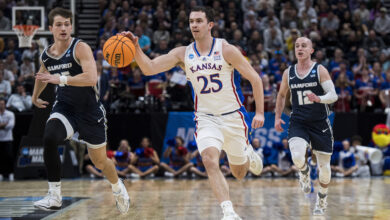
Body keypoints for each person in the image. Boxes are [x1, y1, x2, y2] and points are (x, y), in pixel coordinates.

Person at [121, 6, 264, 219]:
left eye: (199, 21)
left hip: (233, 116)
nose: (194, 25)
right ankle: (228, 212)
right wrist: (135, 48)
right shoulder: (183, 53)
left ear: (210, 25)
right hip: (205, 117)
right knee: (208, 159)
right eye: (191, 21)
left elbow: (255, 79)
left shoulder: (226, 49)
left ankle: (246, 152)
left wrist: (260, 113)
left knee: (239, 173)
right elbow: (150, 68)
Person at [32, 8, 129, 213]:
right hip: (65, 107)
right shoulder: (47, 54)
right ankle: (54, 196)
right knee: (49, 136)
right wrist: (35, 96)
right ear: (51, 28)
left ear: (71, 26)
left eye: (67, 24)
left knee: (100, 161)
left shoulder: (80, 47)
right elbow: (42, 73)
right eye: (59, 24)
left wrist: (61, 79)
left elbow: (91, 78)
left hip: (89, 111)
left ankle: (118, 187)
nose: (64, 28)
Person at [274, 37, 338, 216]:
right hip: (298, 121)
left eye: (304, 46)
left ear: (311, 50)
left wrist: (319, 99)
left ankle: (322, 197)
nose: (299, 48)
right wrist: (277, 117)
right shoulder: (289, 72)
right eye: (297, 46)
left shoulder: (319, 70)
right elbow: (280, 95)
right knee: (297, 156)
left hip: (319, 123)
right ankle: (304, 172)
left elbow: (333, 95)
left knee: (324, 167)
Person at [0, 98, 15, 181]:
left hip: (8, 139)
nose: (1, 105)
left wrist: (2, 126)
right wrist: (4, 125)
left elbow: (11, 126)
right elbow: (7, 125)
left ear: (5, 105)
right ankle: (1, 174)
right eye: (0, 104)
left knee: (9, 157)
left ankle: (10, 173)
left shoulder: (10, 114)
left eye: (2, 104)